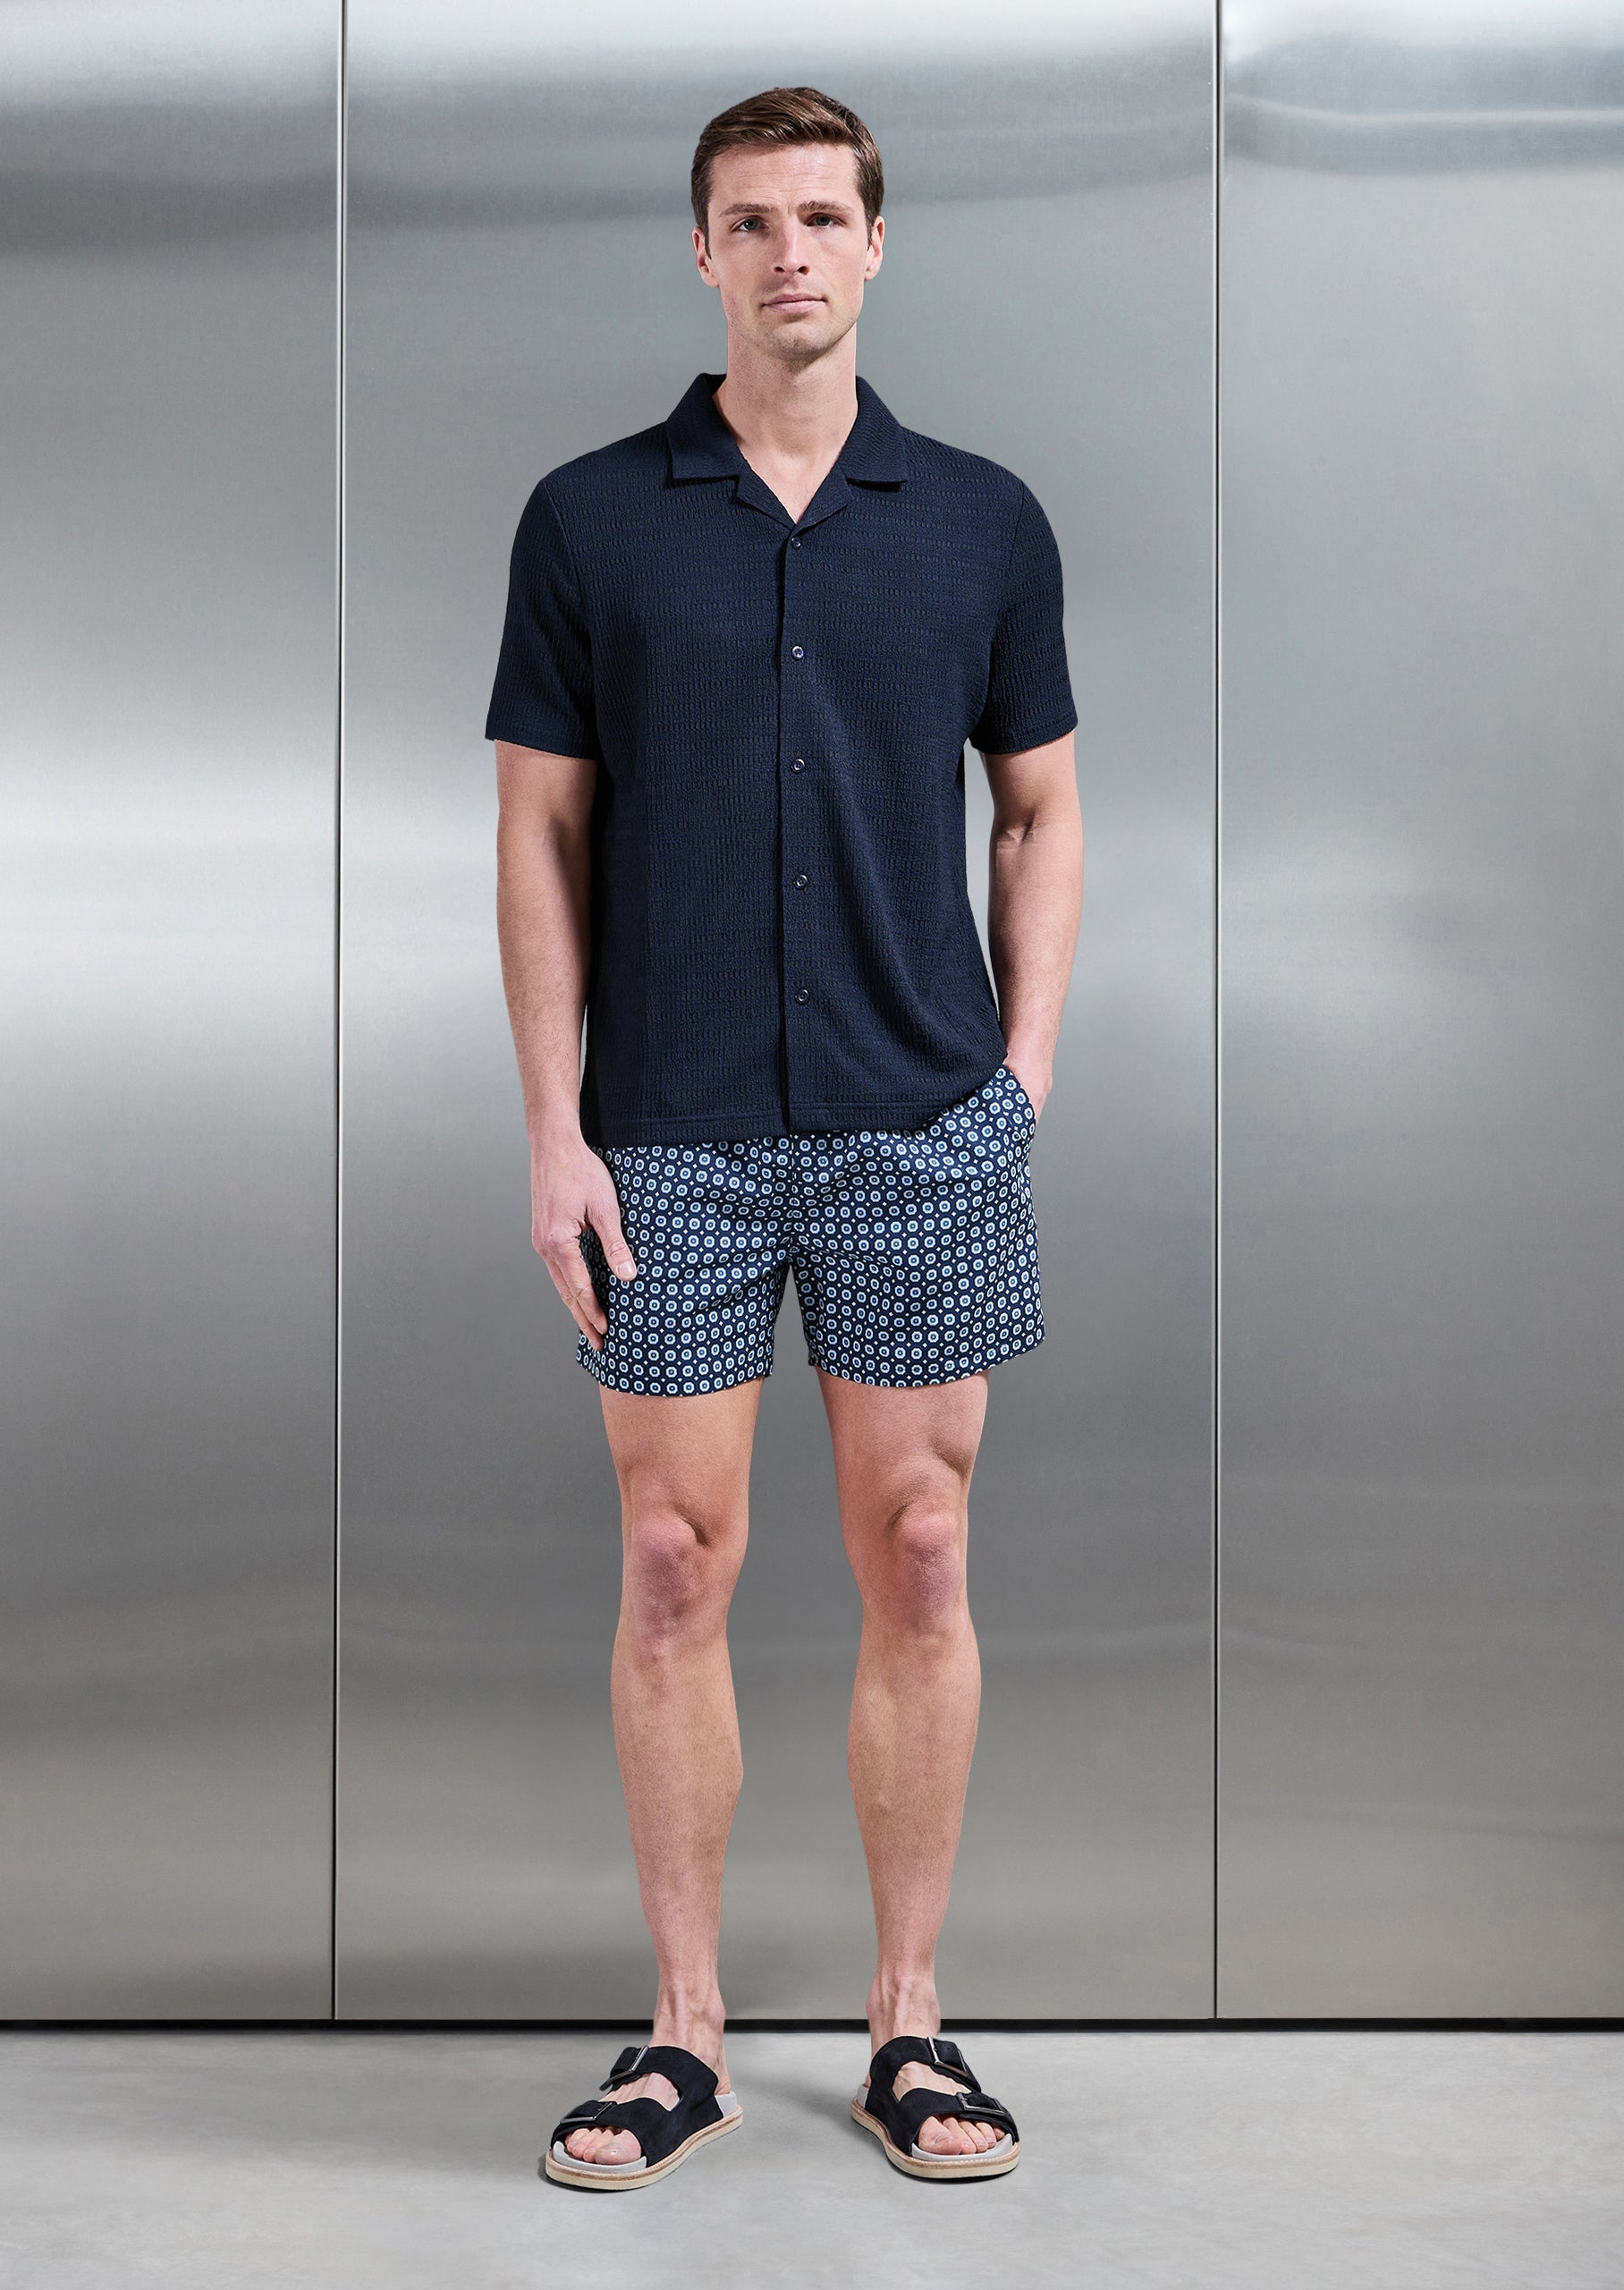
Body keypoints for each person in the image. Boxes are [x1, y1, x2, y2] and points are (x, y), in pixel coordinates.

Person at [486, 84, 1081, 2189]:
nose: (792, 252)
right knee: (672, 1561)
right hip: (670, 1134)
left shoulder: (983, 519)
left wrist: (1020, 1072)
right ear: (703, 251)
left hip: (922, 1124)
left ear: (877, 243)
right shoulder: (590, 519)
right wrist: (552, 1125)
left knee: (921, 1546)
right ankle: (686, 2033)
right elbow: (538, 832)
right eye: (752, 221)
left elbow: (1041, 806)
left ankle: (910, 2017)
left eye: (825, 216)